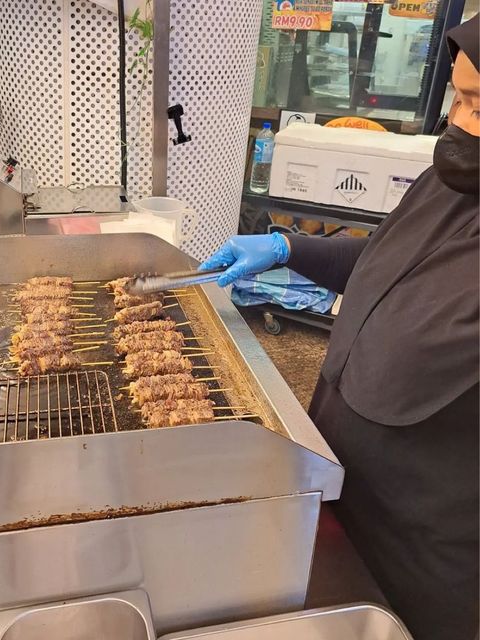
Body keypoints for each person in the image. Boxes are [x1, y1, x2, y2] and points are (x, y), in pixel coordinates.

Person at [200, 15, 479, 640]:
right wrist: (286, 247)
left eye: (478, 103)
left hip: (428, 539)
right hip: (339, 475)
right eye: (456, 97)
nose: (458, 122)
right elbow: (387, 259)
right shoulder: (453, 178)